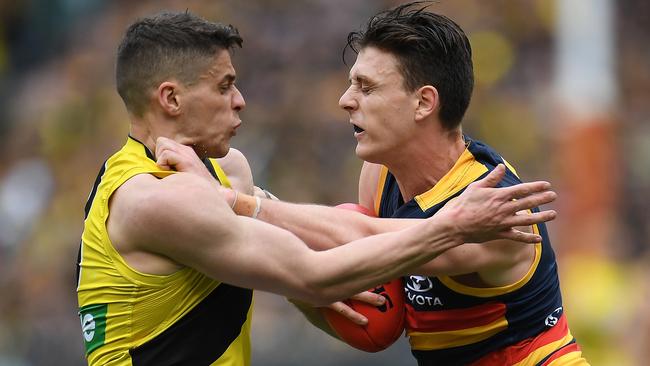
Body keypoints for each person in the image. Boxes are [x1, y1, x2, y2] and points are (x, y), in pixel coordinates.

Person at [75, 10, 558, 366]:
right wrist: (451, 227)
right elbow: (319, 270)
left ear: (423, 103)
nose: (345, 101)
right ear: (171, 98)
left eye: (366, 88)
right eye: (225, 86)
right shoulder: (156, 197)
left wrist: (244, 205)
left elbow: (355, 252)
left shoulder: (494, 206)